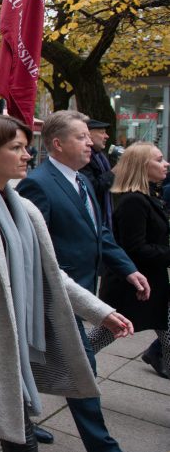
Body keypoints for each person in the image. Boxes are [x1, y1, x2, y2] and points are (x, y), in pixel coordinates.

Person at [0, 114, 133, 452]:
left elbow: (51, 275)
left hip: (18, 337)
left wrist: (100, 312)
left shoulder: (26, 209)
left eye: (25, 146)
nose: (27, 155)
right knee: (10, 431)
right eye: (16, 147)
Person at [17, 110, 151, 451]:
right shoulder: (39, 184)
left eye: (88, 136)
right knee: (81, 368)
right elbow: (35, 249)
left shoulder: (83, 180)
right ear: (57, 144)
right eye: (81, 136)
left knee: (33, 361)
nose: (90, 142)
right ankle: (102, 445)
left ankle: (18, 421)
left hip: (81, 289)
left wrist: (127, 268)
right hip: (57, 295)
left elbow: (99, 233)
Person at [89, 142, 169, 378]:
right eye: (159, 159)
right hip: (132, 287)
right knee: (103, 334)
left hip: (149, 283)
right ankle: (67, 368)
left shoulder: (146, 196)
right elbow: (135, 248)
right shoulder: (134, 200)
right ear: (142, 167)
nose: (165, 164)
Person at [79, 119, 115, 230]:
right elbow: (93, 187)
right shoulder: (84, 159)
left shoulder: (101, 157)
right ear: (89, 134)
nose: (106, 136)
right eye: (102, 132)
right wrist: (115, 171)